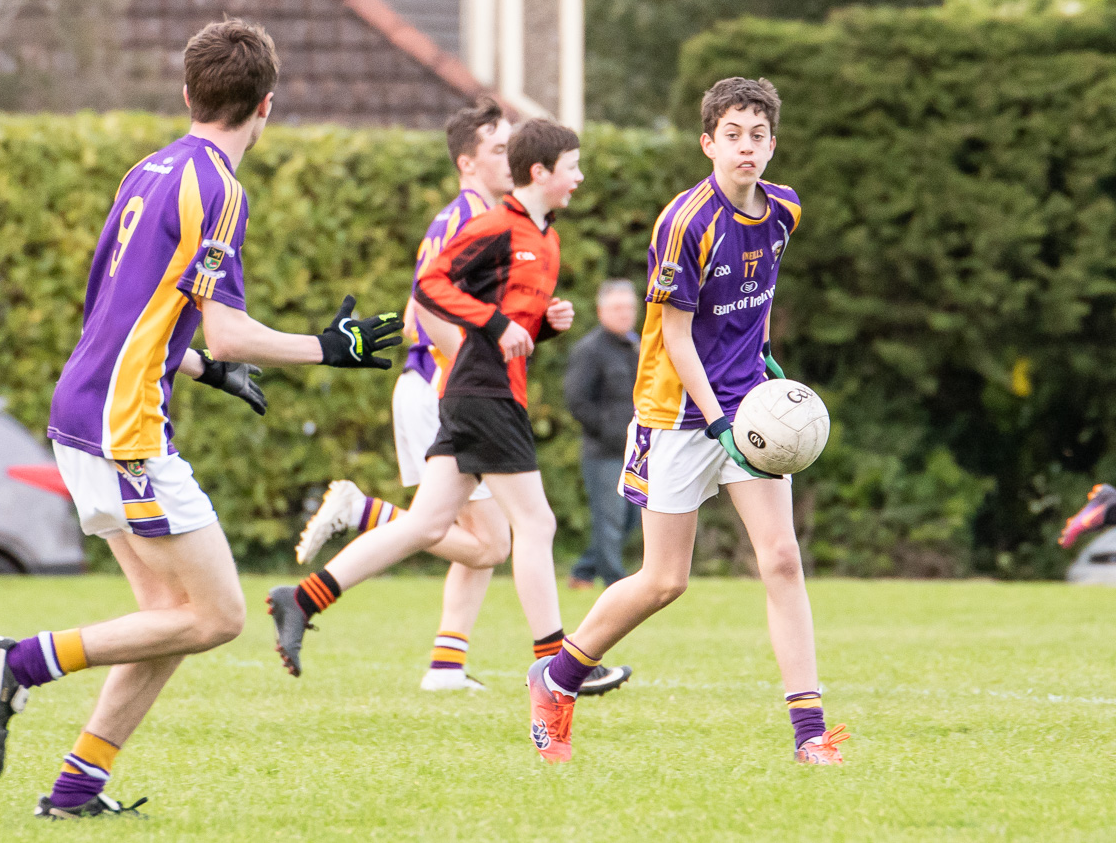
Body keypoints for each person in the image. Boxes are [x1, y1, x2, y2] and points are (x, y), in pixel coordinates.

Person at [0, 18, 402, 820]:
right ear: (266, 106)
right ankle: (18, 662)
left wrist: (200, 364)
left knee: (168, 622)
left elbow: (122, 306)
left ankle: (74, 790)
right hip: (123, 425)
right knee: (220, 616)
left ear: (188, 93)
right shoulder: (220, 189)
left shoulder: (148, 169)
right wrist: (326, 347)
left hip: (86, 404)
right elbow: (226, 322)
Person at [527, 77, 849, 766]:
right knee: (664, 580)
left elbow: (748, 301)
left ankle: (810, 733)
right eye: (732, 135)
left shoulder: (785, 209)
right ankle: (557, 679)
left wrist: (763, 359)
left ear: (772, 144)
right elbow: (675, 335)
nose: (746, 147)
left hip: (748, 408)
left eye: (758, 136)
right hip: (677, 413)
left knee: (783, 560)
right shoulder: (685, 222)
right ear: (708, 142)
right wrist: (716, 421)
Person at [268, 119, 625, 691]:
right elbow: (429, 287)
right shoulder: (495, 226)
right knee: (536, 523)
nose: (580, 177)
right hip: (484, 394)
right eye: (573, 167)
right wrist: (496, 320)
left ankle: (302, 598)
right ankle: (561, 665)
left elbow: (513, 332)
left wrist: (544, 327)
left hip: (474, 390)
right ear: (541, 173)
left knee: (429, 524)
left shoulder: (548, 238)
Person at [564, 280, 642, 590]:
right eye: (617, 308)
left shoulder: (638, 345)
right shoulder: (589, 350)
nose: (624, 314)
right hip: (604, 452)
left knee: (630, 521)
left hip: (637, 450)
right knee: (610, 522)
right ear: (601, 311)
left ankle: (583, 571)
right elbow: (577, 401)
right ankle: (615, 584)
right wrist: (608, 431)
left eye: (629, 308)